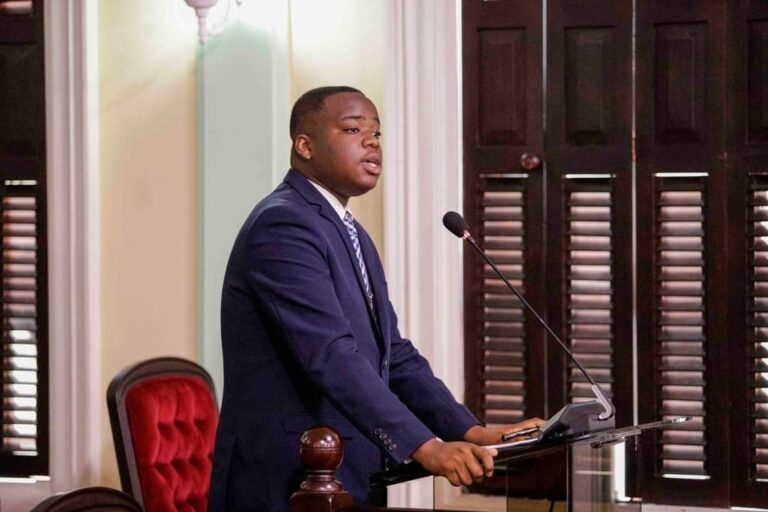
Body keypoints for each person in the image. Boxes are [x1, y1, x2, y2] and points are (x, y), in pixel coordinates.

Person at [208, 86, 542, 511]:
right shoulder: (283, 225)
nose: (371, 142)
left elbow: (393, 356)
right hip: (288, 478)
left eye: (377, 133)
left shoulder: (350, 232)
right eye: (353, 129)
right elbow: (330, 354)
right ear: (305, 146)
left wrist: (470, 432)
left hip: (344, 473)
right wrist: (425, 446)